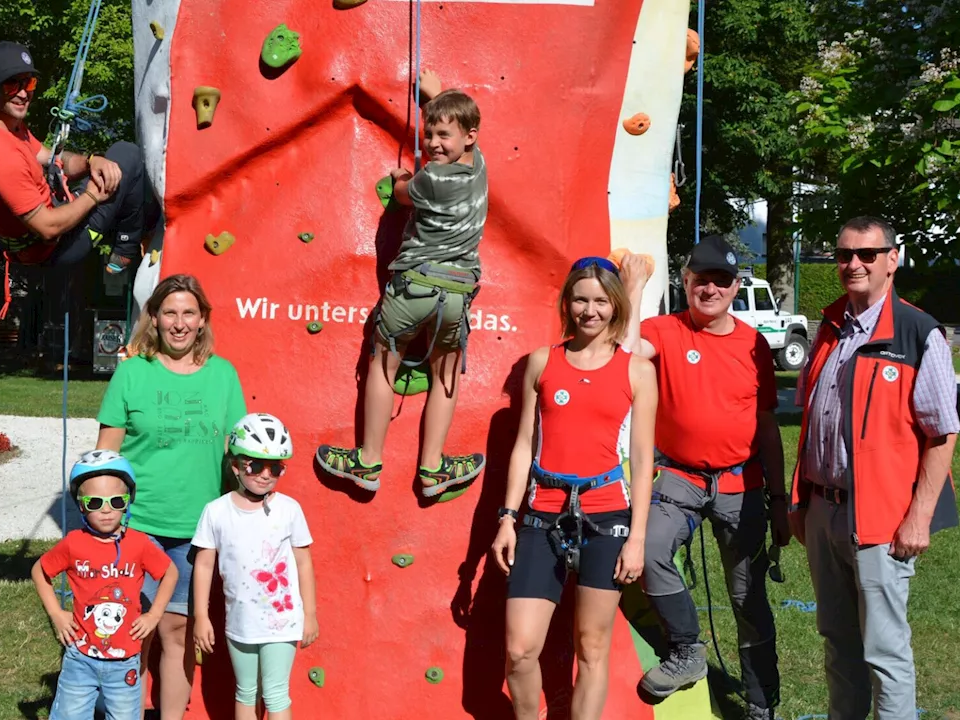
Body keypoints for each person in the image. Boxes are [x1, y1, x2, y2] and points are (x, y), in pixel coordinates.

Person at [790, 216, 960, 720]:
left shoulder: (917, 333)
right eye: (844, 255)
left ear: (893, 258)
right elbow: (810, 423)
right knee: (838, 646)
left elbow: (942, 434)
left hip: (882, 521)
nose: (854, 264)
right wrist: (802, 504)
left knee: (884, 653)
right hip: (824, 512)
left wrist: (919, 517)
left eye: (867, 254)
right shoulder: (828, 327)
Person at [620, 236, 788, 720]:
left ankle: (761, 701)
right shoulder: (664, 330)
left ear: (736, 287)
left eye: (720, 280)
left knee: (747, 599)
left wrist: (778, 501)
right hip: (679, 477)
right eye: (700, 278)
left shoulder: (753, 344)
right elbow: (625, 354)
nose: (709, 288)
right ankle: (688, 651)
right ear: (686, 281)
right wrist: (633, 287)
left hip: (742, 485)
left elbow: (767, 427)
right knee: (649, 552)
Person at [491, 257, 657, 720]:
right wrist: (507, 518)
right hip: (541, 515)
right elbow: (524, 444)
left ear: (616, 304)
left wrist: (637, 538)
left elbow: (643, 461)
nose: (590, 310)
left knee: (592, 645)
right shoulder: (543, 362)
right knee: (521, 649)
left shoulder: (638, 371)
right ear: (567, 303)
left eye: (601, 300)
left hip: (608, 519)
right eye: (581, 299)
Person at [316, 70, 488, 499]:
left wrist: (398, 180)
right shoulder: (479, 169)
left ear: (468, 136)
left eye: (442, 135)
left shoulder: (430, 180)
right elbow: (462, 133)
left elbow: (401, 192)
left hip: (413, 289)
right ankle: (432, 468)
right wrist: (437, 98)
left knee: (382, 365)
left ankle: (368, 460)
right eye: (429, 134)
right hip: (456, 295)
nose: (431, 143)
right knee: (446, 373)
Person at [96, 273, 248, 720]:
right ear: (155, 319)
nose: (179, 323)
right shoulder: (131, 373)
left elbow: (238, 453)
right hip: (135, 526)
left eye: (188, 313)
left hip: (194, 532)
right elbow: (106, 456)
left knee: (177, 631)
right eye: (170, 313)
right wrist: (107, 520)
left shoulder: (223, 375)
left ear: (202, 320)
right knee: (130, 632)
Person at [0, 41, 158, 272]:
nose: (23, 93)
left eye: (29, 82)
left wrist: (91, 161)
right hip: (55, 247)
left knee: (112, 170)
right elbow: (48, 226)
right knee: (127, 155)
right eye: (10, 85)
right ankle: (128, 247)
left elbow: (50, 158)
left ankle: (131, 233)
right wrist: (92, 196)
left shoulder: (1, 125)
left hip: (45, 232)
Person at [31, 449, 178, 720]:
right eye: (96, 502)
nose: (107, 510)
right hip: (80, 658)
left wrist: (154, 614)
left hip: (125, 663)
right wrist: (56, 613)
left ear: (128, 500)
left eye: (116, 500)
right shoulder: (74, 543)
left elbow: (169, 573)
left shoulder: (139, 543)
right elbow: (40, 571)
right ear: (82, 504)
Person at [192, 413, 318, 720]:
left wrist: (310, 615)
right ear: (236, 466)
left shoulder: (289, 510)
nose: (265, 474)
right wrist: (200, 616)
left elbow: (304, 562)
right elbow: (204, 565)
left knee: (275, 694)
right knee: (245, 691)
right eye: (255, 465)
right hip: (240, 621)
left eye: (275, 468)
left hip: (282, 621)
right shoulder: (216, 512)